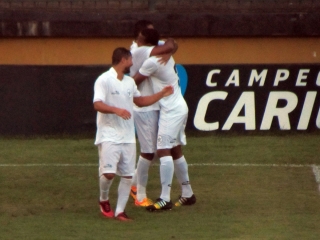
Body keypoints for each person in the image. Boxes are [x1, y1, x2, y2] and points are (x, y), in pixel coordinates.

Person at [93, 47, 173, 221]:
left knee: (128, 176)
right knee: (108, 174)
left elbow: (141, 101)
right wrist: (116, 110)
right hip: (108, 135)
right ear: (123, 60)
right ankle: (104, 199)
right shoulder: (104, 80)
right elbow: (97, 104)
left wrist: (161, 94)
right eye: (130, 59)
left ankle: (120, 211)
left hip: (128, 137)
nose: (132, 63)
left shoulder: (129, 82)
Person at [133, 28, 196, 211]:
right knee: (175, 149)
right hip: (177, 106)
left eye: (140, 39)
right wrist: (171, 49)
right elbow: (171, 41)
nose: (137, 42)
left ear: (146, 44)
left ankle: (165, 199)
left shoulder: (152, 62)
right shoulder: (164, 51)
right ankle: (188, 194)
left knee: (162, 150)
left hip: (171, 110)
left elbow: (135, 80)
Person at [129, 20, 177, 207]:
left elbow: (172, 42)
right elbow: (170, 44)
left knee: (155, 152)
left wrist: (170, 48)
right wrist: (169, 49)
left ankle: (133, 184)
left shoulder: (149, 46)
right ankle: (139, 194)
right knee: (148, 152)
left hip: (153, 105)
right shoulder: (140, 50)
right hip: (144, 107)